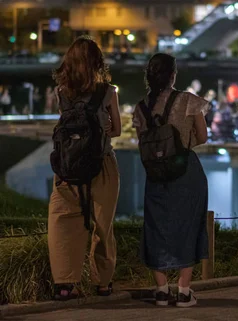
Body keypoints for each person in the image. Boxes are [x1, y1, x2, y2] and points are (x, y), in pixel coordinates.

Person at [132, 53, 209, 307]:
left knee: (156, 227)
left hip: (155, 175)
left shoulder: (141, 107)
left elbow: (143, 141)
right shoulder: (188, 101)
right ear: (173, 75)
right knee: (189, 225)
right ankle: (184, 291)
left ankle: (162, 290)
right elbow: (202, 136)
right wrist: (181, 145)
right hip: (186, 171)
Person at [48, 36, 121, 300]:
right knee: (103, 226)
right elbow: (117, 130)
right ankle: (102, 283)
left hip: (67, 168)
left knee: (64, 222)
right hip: (101, 163)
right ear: (96, 62)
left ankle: (66, 284)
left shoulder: (62, 92)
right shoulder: (109, 91)